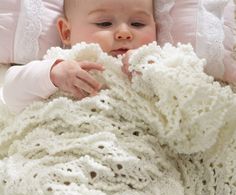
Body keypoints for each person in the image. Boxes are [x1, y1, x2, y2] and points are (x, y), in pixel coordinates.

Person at [2, 0, 157, 113]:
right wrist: (52, 74)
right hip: (61, 144)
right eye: (104, 23)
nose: (124, 32)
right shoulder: (62, 61)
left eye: (138, 24)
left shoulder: (160, 62)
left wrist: (153, 72)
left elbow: (177, 100)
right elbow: (10, 94)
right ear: (66, 32)